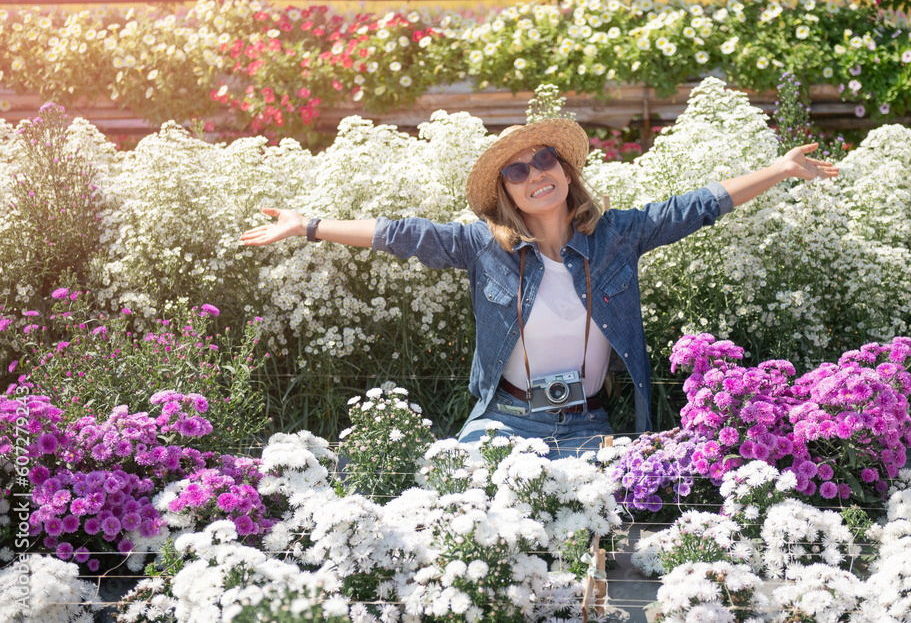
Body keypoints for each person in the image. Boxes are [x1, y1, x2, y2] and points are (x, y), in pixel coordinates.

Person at [239, 118, 838, 458]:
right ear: (506, 191)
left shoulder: (617, 235)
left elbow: (696, 207)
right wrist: (309, 226)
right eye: (518, 171)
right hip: (502, 423)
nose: (536, 175)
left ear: (566, 170)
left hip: (588, 427)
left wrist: (781, 169)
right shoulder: (484, 246)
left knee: (589, 547)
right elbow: (403, 233)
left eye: (545, 160)